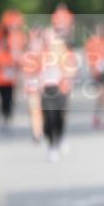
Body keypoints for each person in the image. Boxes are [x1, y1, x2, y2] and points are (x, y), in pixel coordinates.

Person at [40, 27, 76, 161]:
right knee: (49, 118)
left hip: (61, 89)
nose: (49, 41)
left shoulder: (63, 52)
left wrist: (66, 77)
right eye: (46, 38)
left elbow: (71, 69)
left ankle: (60, 137)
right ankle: (52, 146)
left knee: (59, 117)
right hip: (46, 89)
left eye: (51, 38)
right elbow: (32, 70)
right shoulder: (40, 53)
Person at [0, 30, 18, 132]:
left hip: (10, 82)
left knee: (9, 100)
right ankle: (3, 118)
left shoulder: (12, 55)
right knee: (3, 100)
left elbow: (17, 67)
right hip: (0, 82)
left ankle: (7, 117)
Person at [22, 27, 45, 142]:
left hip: (45, 86)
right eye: (33, 40)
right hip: (32, 87)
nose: (35, 43)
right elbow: (25, 74)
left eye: (38, 40)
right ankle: (36, 132)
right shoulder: (27, 56)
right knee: (34, 110)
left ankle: (40, 129)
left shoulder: (46, 55)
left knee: (42, 110)